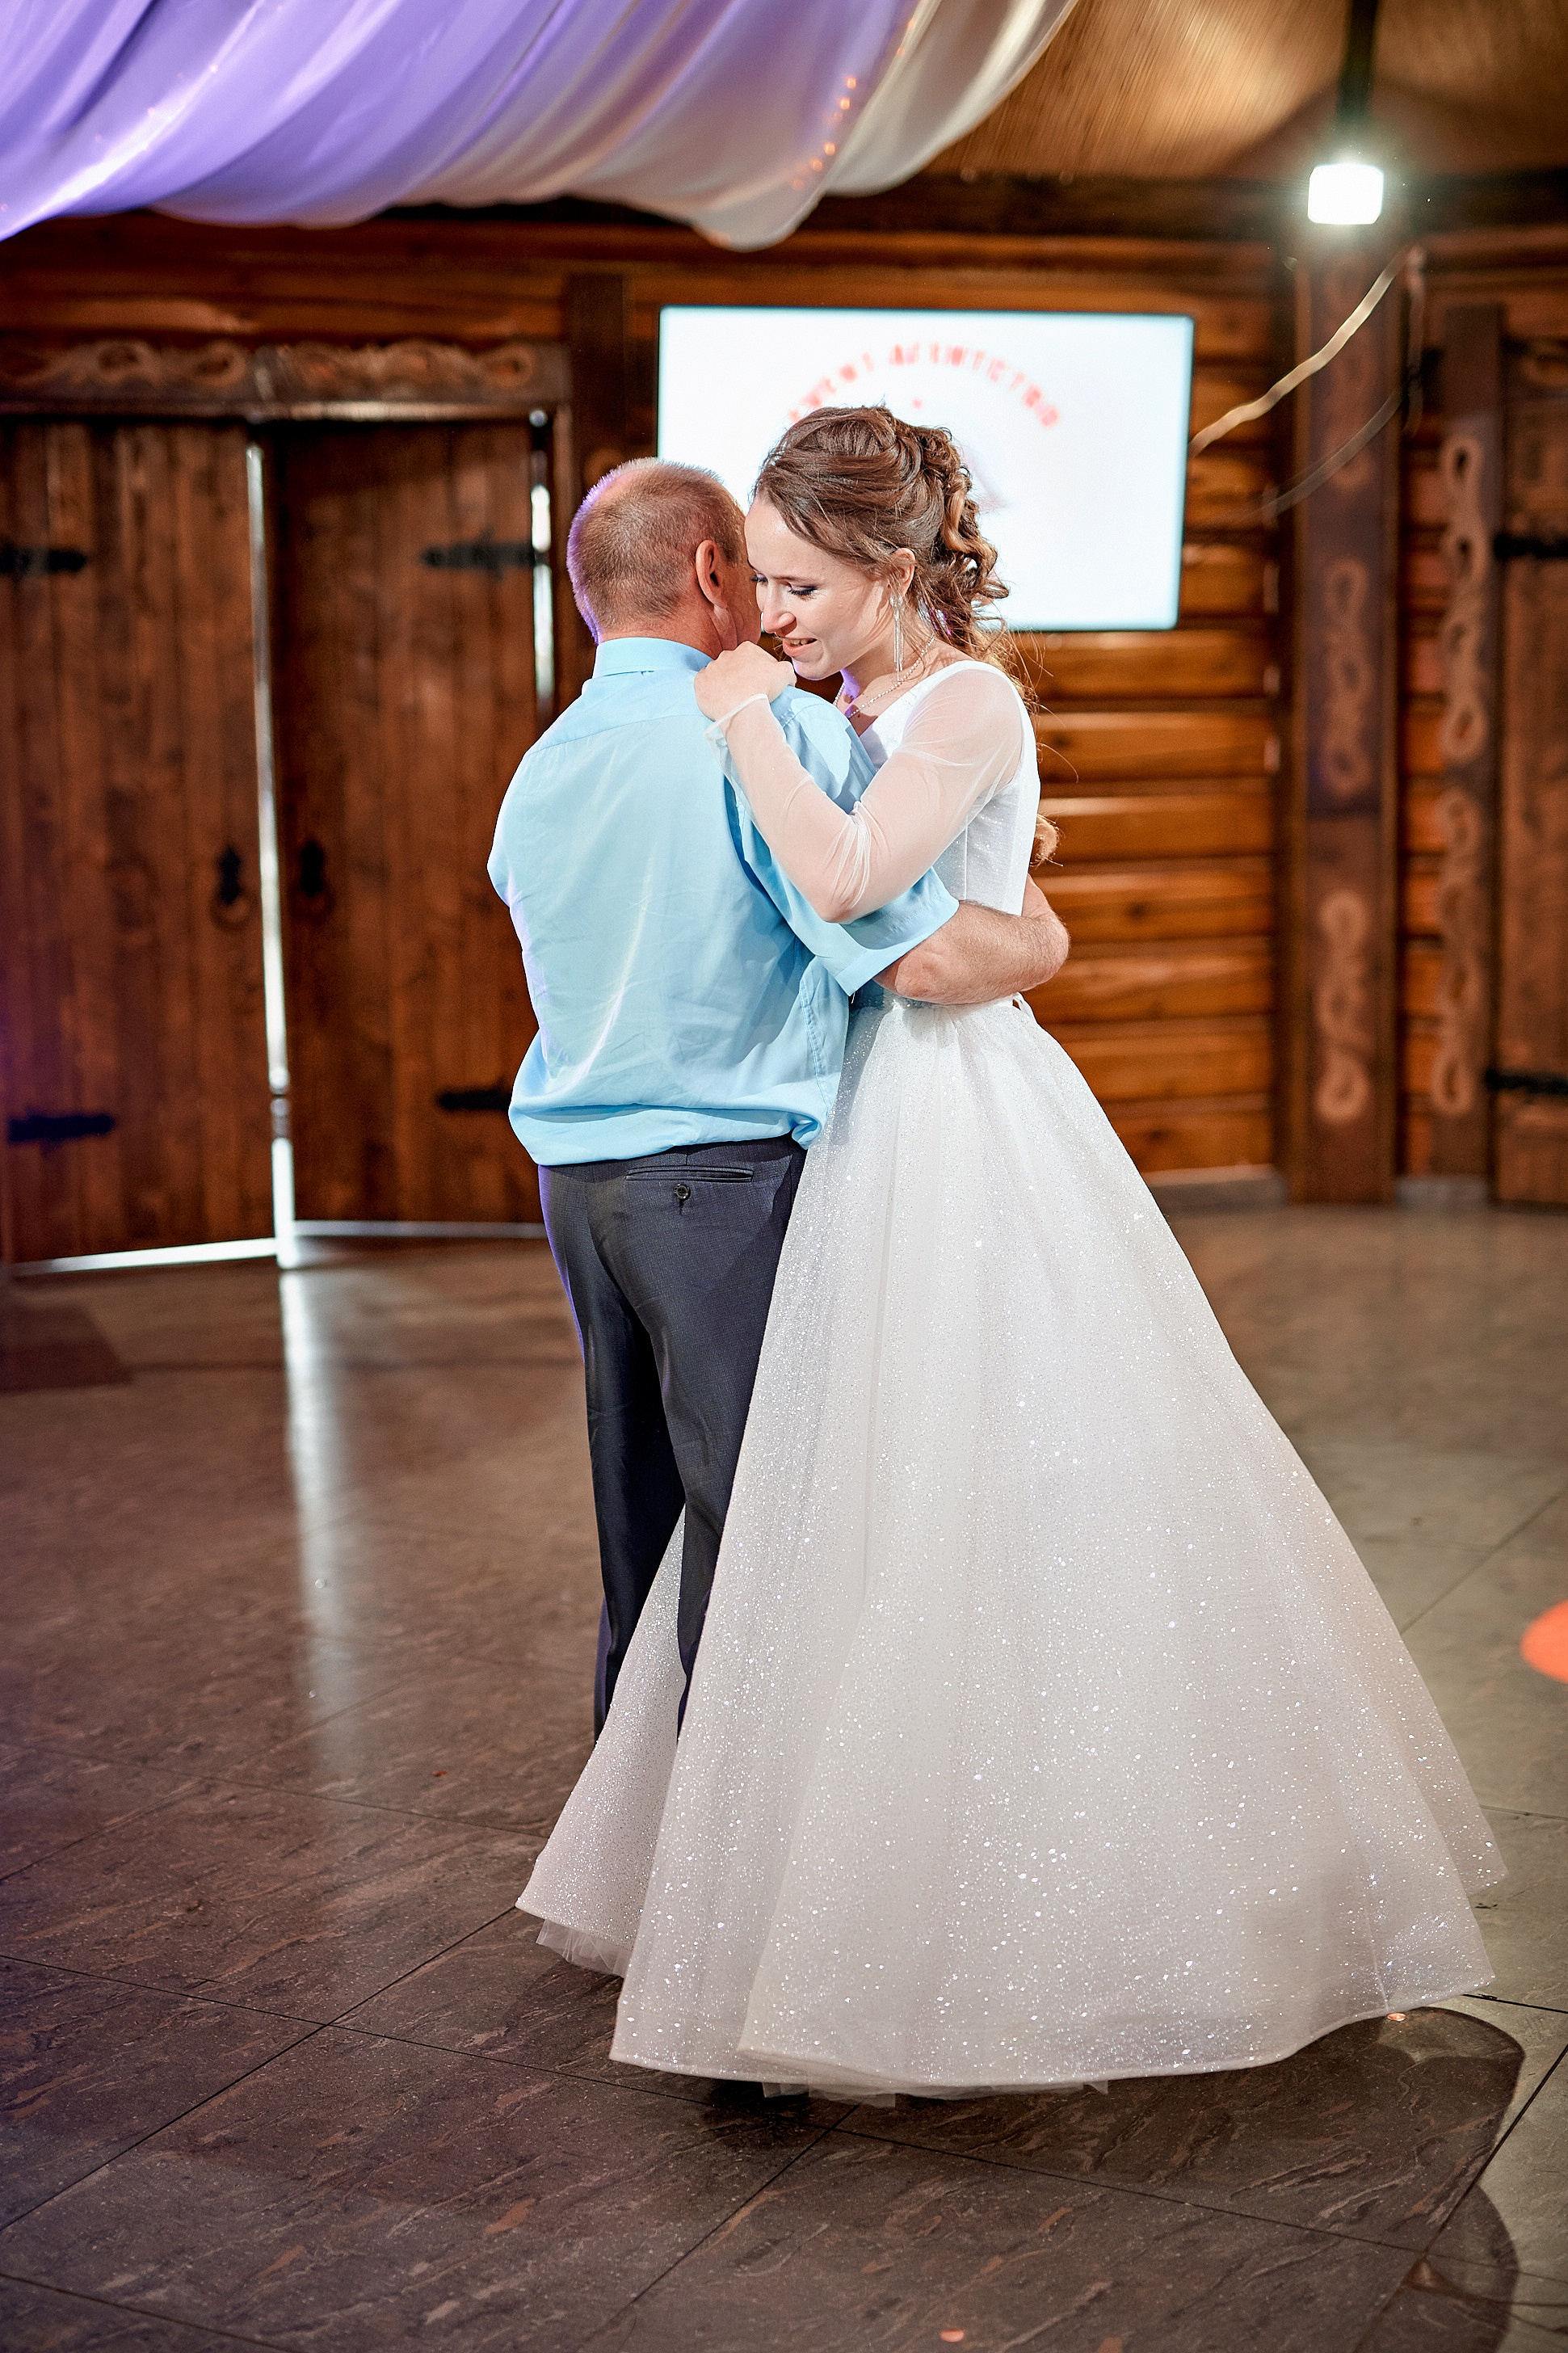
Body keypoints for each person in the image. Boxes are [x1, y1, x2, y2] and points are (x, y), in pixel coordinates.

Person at [519, 407, 1501, 2098]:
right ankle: (782, 1891)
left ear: (890, 565)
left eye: (800, 583)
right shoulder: (830, 705)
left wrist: (753, 724)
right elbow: (890, 936)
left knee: (975, 1483)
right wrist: (996, 914)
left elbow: (845, 889)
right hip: (850, 1119)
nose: (769, 615)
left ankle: (997, 1898)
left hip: (954, 1124)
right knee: (834, 1503)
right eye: (756, 584)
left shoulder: (946, 699)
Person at [488, 457, 1067, 1737]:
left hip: (576, 1191)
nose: (777, 603)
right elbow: (917, 953)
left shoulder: (543, 765)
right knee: (758, 1533)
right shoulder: (780, 733)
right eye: (763, 573)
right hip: (717, 1184)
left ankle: (634, 1845)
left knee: (638, 1532)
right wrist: (1042, 944)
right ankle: (728, 1869)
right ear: (711, 573)